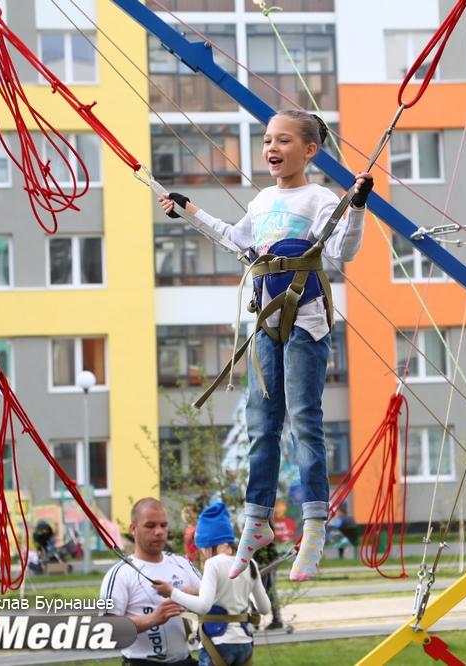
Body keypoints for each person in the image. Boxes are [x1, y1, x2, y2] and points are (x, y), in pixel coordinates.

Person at [160, 109, 373, 582]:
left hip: (306, 321)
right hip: (264, 323)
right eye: (266, 141)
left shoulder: (320, 198)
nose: (271, 149)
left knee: (303, 420)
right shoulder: (262, 202)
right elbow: (236, 241)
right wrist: (188, 211)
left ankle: (315, 524)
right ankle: (256, 523)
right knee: (261, 424)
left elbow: (344, 251)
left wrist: (356, 206)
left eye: (283, 141)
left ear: (309, 150)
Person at [154, 502, 271, 666]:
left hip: (218, 644)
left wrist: (171, 592)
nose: (203, 553)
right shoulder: (250, 563)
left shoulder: (213, 564)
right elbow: (264, 608)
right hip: (244, 644)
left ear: (210, 545)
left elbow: (203, 606)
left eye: (203, 549)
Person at [101, 498, 201, 666]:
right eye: (150, 525)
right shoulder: (120, 574)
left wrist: (185, 594)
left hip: (185, 661)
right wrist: (153, 619)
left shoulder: (182, 564)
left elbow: (214, 595)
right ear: (133, 529)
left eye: (163, 525)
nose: (159, 532)